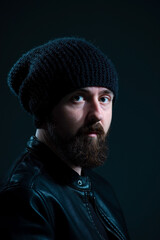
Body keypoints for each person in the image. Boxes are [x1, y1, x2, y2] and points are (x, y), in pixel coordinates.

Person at [0, 37, 130, 239]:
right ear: (44, 110)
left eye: (104, 99)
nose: (97, 114)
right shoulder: (26, 198)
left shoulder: (100, 188)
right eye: (78, 98)